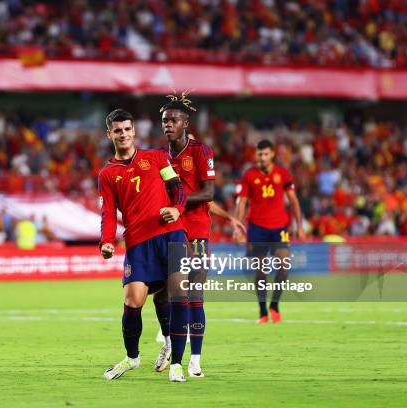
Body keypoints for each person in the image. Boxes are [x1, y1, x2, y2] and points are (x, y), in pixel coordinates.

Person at [154, 94, 245, 378]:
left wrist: (177, 204)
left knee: (194, 295)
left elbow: (207, 194)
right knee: (161, 297)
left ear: (186, 123)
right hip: (169, 231)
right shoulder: (160, 157)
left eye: (174, 120)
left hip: (195, 233)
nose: (168, 125)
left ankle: (195, 360)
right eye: (165, 121)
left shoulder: (200, 151)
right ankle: (170, 342)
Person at [99, 109, 190, 382]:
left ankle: (176, 364)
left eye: (127, 129)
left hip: (171, 234)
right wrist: (106, 241)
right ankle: (132, 357)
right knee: (133, 300)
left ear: (134, 131)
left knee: (178, 295)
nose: (123, 134)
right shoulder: (107, 174)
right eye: (118, 130)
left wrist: (178, 209)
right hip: (138, 241)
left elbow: (179, 188)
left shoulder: (157, 157)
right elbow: (108, 212)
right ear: (110, 134)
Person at [235, 139, 305, 324]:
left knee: (283, 265)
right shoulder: (249, 175)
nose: (263, 157)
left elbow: (294, 201)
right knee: (261, 271)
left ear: (272, 154)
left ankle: (274, 304)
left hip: (280, 227)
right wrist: (238, 227)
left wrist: (300, 226)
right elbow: (242, 202)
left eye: (266, 154)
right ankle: (262, 311)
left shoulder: (283, 174)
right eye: (260, 154)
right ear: (256, 155)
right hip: (257, 228)